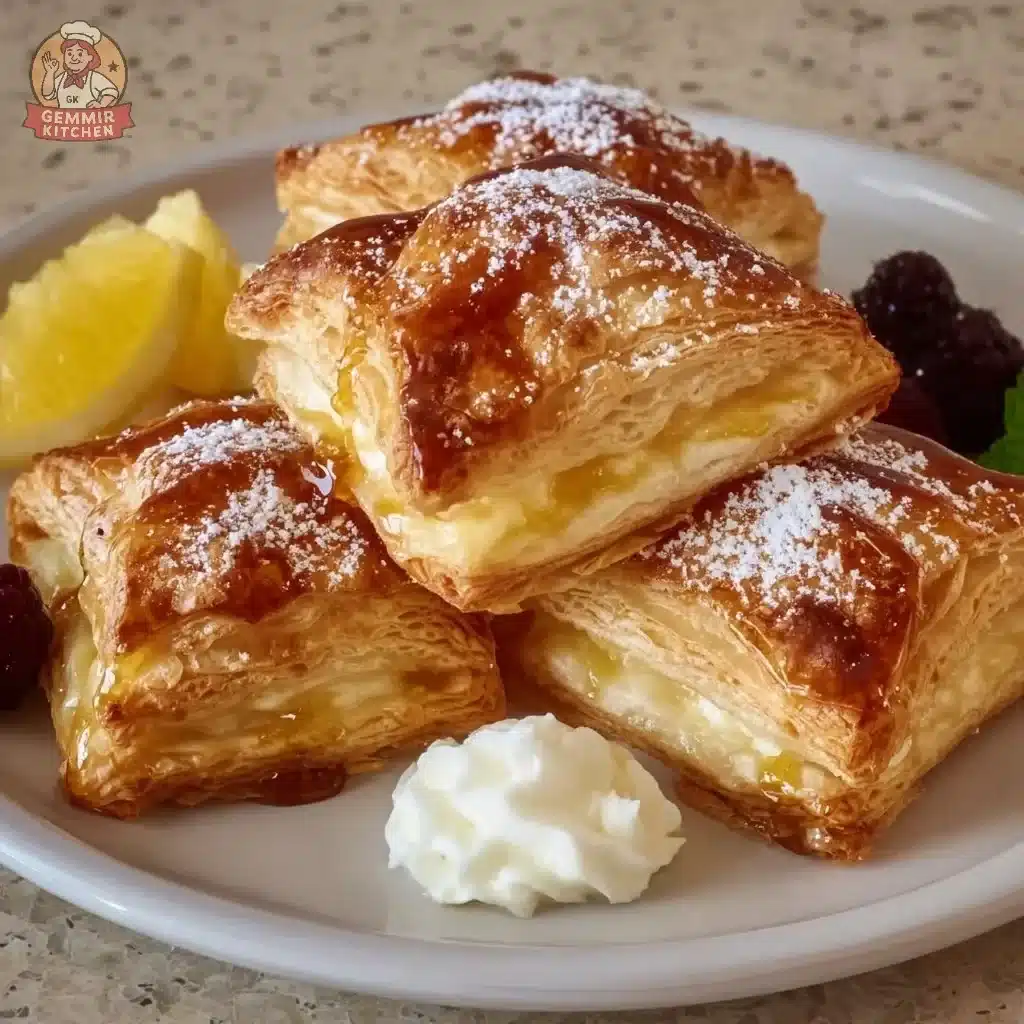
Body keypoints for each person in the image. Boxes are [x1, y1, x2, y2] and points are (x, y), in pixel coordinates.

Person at [39, 21, 119, 109]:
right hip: (64, 121)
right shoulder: (62, 77)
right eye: (69, 54)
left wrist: (101, 104)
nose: (74, 58)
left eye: (80, 54)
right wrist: (50, 73)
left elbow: (111, 92)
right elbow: (48, 94)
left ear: (90, 57)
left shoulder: (93, 77)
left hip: (89, 121)